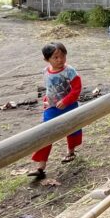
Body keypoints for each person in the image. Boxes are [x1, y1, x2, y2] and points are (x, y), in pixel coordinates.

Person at [27, 42, 82, 180]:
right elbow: (49, 88)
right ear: (47, 59)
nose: (60, 60)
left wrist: (67, 100)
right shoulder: (45, 71)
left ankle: (71, 152)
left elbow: (76, 89)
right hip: (52, 107)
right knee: (46, 133)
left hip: (69, 106)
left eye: (63, 56)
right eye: (55, 57)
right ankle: (41, 167)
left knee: (72, 129)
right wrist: (46, 99)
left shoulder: (70, 71)